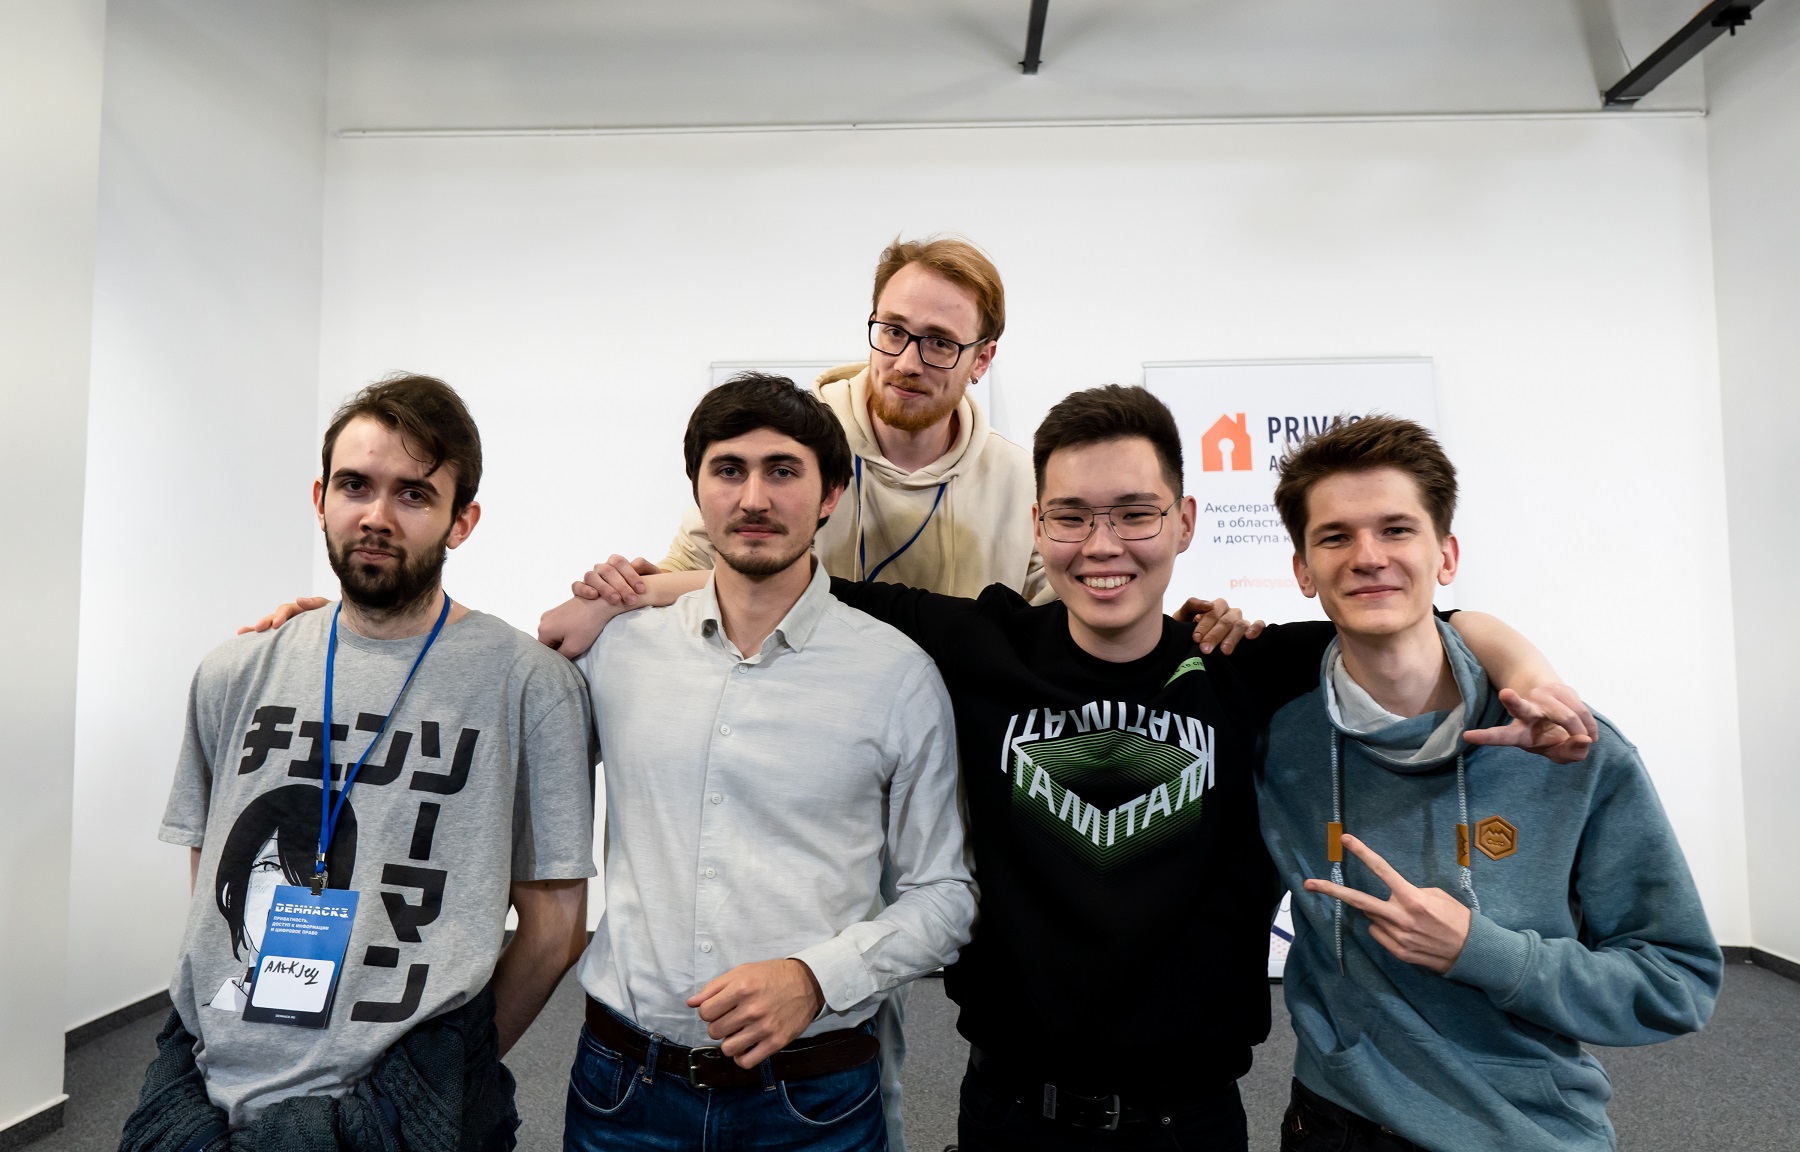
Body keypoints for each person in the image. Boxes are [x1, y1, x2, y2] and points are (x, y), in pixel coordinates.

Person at [544, 385, 1595, 1151]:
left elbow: (1430, 622)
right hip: (1010, 1108)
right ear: (1038, 526)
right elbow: (783, 579)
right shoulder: (982, 646)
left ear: (1184, 521)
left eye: (1136, 513)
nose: (1104, 545)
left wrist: (1529, 671)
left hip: (1191, 1117)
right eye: (1073, 516)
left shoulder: (1244, 668)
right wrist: (625, 596)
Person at [133, 375, 597, 1146]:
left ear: (462, 520)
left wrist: (450, 1076)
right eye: (355, 486)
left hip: (404, 1104)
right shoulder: (234, 673)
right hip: (202, 1080)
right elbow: (210, 875)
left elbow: (555, 926)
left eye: (414, 494)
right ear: (321, 498)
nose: (377, 516)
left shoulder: (529, 687)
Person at [1260, 416, 1721, 1151]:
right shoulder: (1281, 743)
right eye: (1336, 537)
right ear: (1303, 571)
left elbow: (1676, 983)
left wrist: (1483, 951)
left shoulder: (1569, 747)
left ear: (1446, 556)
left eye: (1397, 530)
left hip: (1524, 1129)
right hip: (1333, 1123)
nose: (1368, 557)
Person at [562, 374, 975, 1151]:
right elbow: (491, 723)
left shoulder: (896, 675)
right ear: (699, 490)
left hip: (812, 1099)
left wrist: (817, 978)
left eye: (783, 471)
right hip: (623, 1093)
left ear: (830, 496)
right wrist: (340, 624)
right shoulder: (615, 651)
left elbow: (945, 894)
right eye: (729, 470)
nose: (754, 497)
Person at [660, 236, 1048, 602]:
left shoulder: (1020, 480)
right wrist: (637, 586)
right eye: (894, 331)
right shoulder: (795, 442)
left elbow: (1055, 612)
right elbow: (688, 568)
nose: (907, 364)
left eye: (940, 343)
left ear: (981, 359)